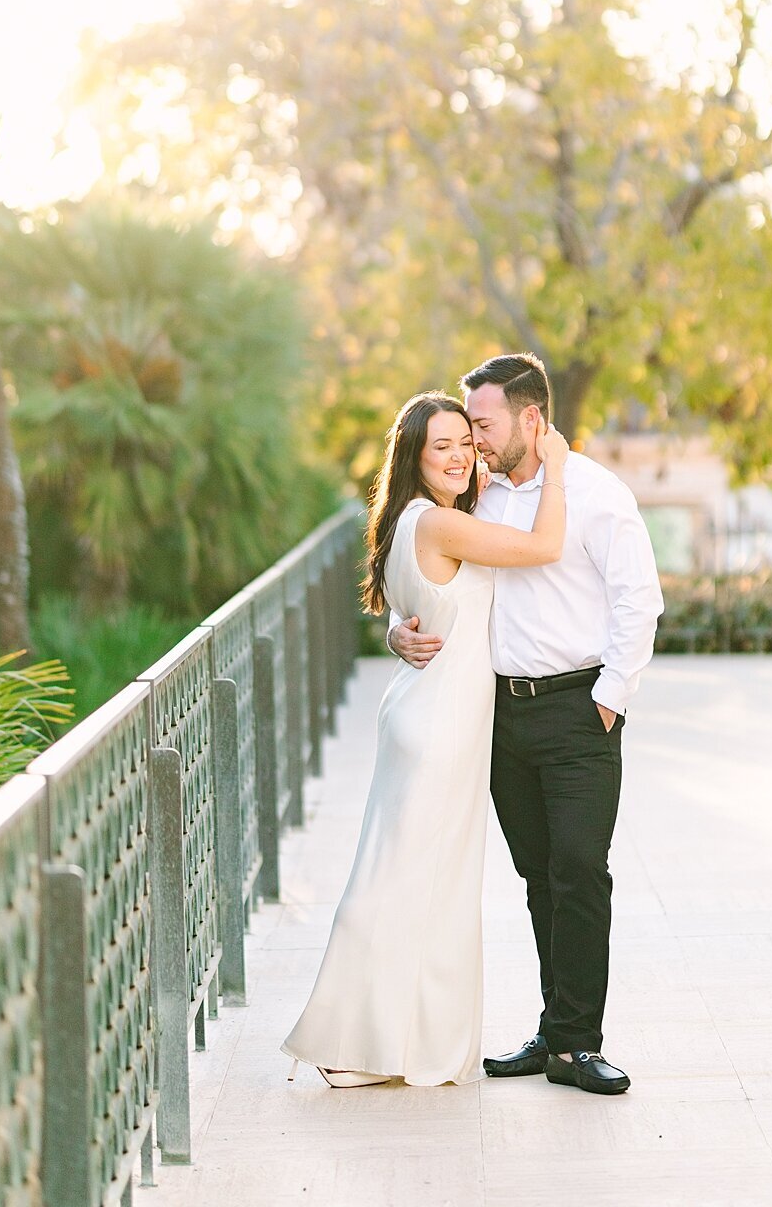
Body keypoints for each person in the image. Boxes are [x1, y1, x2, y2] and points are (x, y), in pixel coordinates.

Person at [389, 353, 663, 1096]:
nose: (472, 439)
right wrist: (396, 630)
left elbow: (640, 600)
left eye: (482, 424)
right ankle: (553, 1032)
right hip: (501, 715)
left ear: (530, 419)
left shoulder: (596, 494)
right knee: (539, 877)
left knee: (579, 872)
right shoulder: (475, 496)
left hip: (580, 713)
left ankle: (579, 1044)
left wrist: (610, 697)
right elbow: (428, 571)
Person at [282, 390, 570, 1087]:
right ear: (413, 456)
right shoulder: (440, 524)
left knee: (417, 884)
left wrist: (394, 633)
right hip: (440, 726)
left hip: (429, 717)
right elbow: (545, 546)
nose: (458, 457)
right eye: (440, 446)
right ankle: (348, 1041)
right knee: (404, 885)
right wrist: (555, 467)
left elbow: (417, 610)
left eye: (465, 444)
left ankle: (387, 1043)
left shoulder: (413, 521)